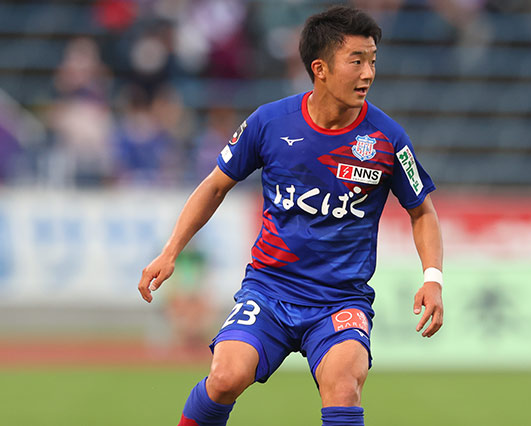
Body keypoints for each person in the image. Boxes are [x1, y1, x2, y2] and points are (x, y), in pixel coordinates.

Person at [138, 6, 444, 426]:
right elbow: (214, 186)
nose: (368, 73)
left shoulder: (386, 138)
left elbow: (422, 211)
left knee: (344, 385)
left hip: (339, 299)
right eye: (356, 61)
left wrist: (432, 278)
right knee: (225, 377)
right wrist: (170, 251)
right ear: (320, 68)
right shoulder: (269, 122)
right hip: (269, 290)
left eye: (372, 61)